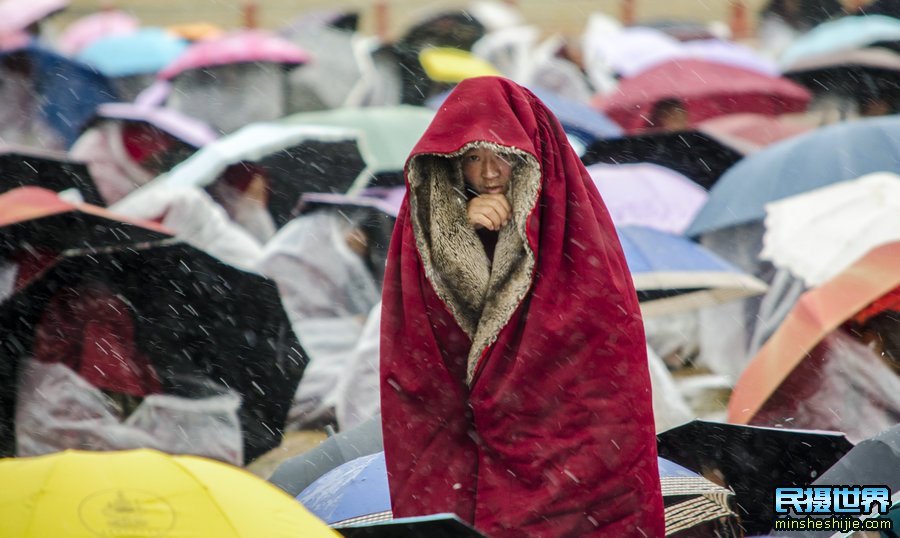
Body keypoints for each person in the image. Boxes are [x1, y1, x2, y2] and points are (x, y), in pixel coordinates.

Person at [380, 76, 664, 536]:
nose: (490, 174)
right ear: (451, 165)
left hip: (570, 450)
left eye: (504, 157)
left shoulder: (575, 235)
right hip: (467, 447)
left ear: (532, 156)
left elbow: (595, 361)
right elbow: (421, 359)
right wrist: (461, 239)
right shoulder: (426, 232)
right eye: (473, 159)